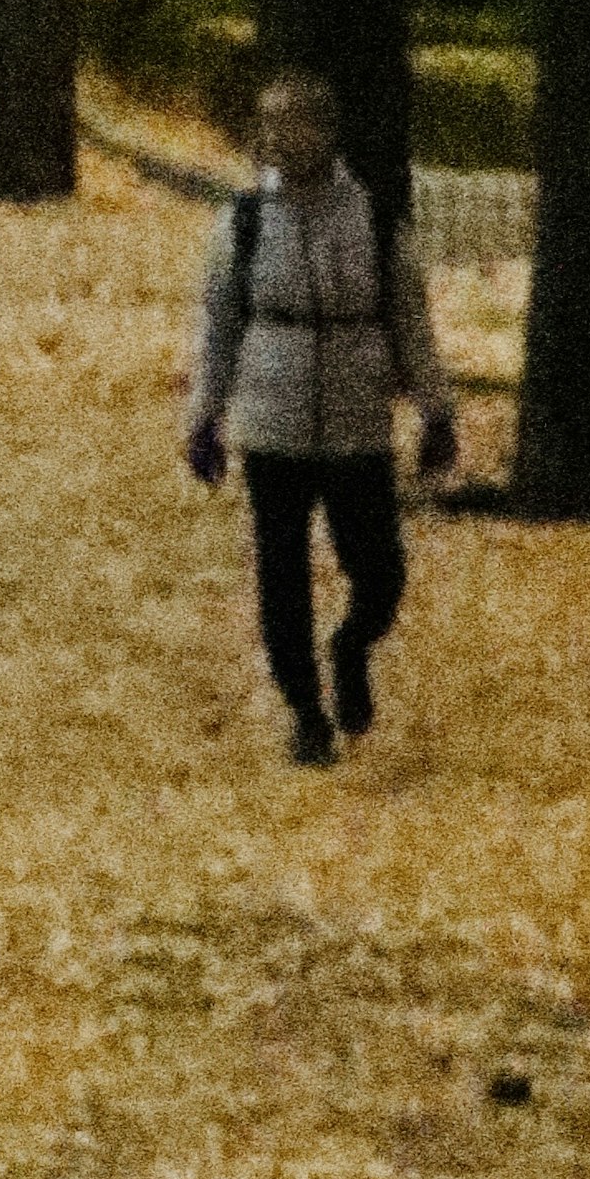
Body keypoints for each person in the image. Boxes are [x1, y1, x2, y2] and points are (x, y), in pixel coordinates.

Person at [187, 68, 460, 765]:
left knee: (380, 570)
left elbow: (409, 319)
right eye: (267, 119)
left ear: (326, 131)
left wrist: (435, 410)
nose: (277, 134)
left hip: (354, 415)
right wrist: (205, 417)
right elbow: (218, 325)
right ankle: (305, 709)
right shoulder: (243, 222)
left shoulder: (371, 218)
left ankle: (351, 644)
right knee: (281, 572)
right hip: (271, 414)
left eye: (292, 120)